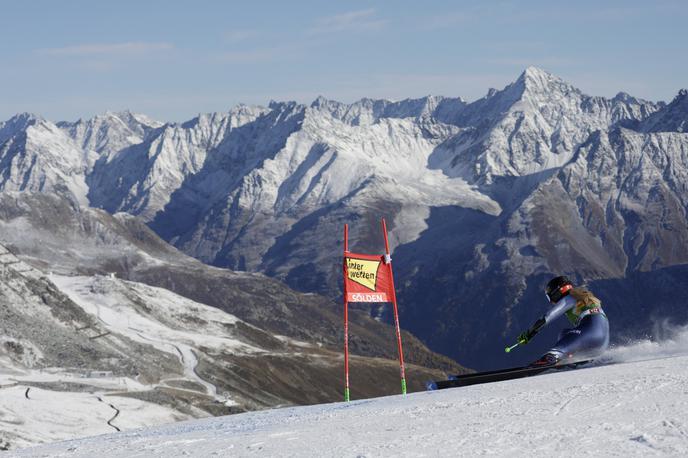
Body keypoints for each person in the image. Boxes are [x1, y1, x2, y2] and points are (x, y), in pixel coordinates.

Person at [517, 276, 609, 366]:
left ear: (557, 293)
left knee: (564, 339)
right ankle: (570, 358)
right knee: (565, 333)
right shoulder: (582, 296)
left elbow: (546, 318)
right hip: (602, 340)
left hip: (591, 330)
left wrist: (529, 334)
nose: (552, 301)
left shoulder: (569, 298)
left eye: (550, 297)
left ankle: (553, 356)